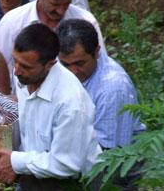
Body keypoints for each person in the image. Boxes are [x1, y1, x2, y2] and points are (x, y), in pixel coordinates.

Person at [0, 24, 101, 190]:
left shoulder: (70, 103)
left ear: (49, 64)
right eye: (15, 61)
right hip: (36, 172)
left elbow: (66, 164)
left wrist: (17, 162)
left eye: (25, 66)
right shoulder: (24, 77)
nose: (17, 71)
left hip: (74, 182)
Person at [0, 0, 106, 80]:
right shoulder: (13, 22)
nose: (61, 11)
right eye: (55, 4)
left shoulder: (86, 21)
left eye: (66, 4)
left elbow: (101, 64)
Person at [57, 19, 145, 149]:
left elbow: (106, 152)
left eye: (79, 64)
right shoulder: (56, 66)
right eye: (65, 65)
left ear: (97, 52)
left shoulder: (113, 89)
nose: (72, 71)